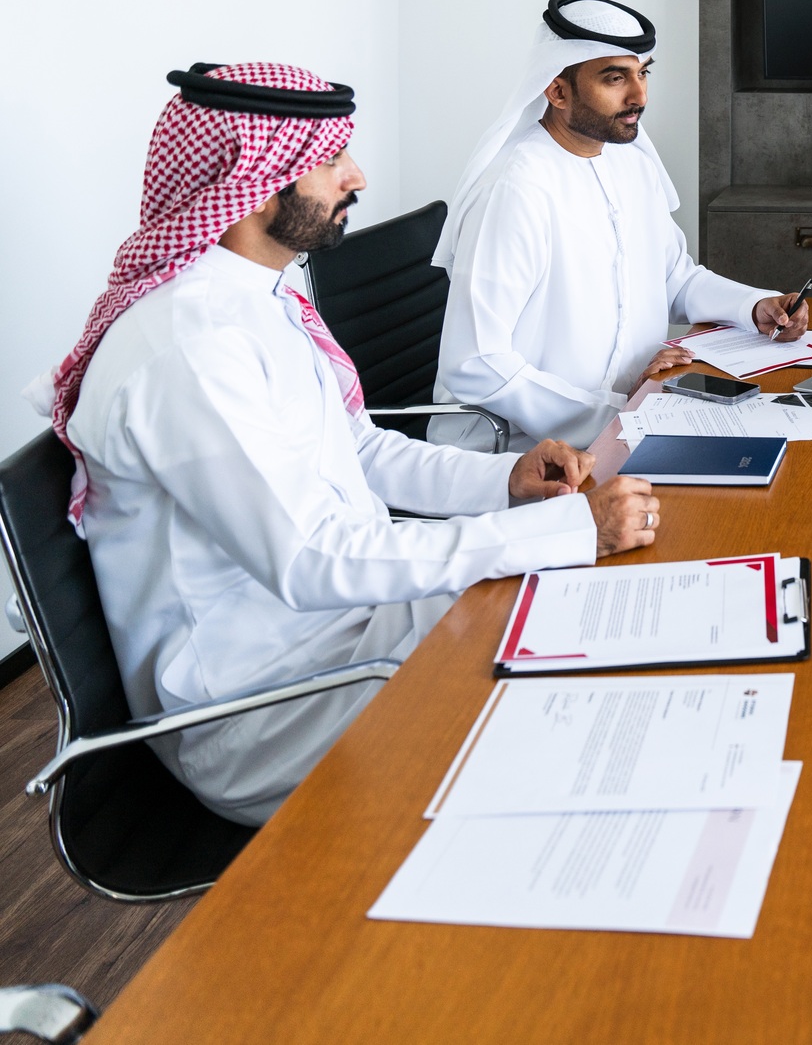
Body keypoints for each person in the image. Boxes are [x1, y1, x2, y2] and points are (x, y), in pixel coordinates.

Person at [34, 62, 660, 825]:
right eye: (331, 161)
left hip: (343, 628)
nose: (356, 175)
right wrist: (559, 530)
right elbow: (311, 560)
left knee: (593, 623)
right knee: (577, 693)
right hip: (261, 707)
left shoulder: (261, 290)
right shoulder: (188, 349)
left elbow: (357, 449)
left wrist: (505, 483)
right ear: (253, 183)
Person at [433, 0, 806, 450]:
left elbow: (673, 278)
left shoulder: (631, 164)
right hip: (522, 451)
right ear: (557, 91)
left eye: (643, 72)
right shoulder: (515, 191)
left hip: (631, 418)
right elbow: (476, 363)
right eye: (615, 78)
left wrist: (755, 306)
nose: (640, 96)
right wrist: (616, 412)